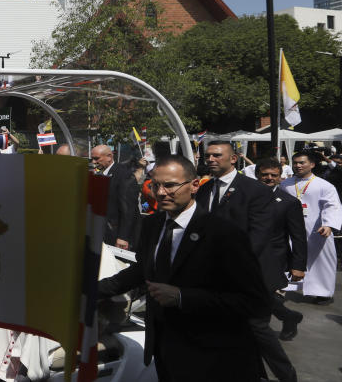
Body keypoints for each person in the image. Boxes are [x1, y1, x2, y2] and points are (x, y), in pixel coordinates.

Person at [97, 155, 270, 381]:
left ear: (195, 185)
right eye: (155, 185)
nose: (160, 193)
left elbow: (254, 302)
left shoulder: (224, 234)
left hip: (214, 356)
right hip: (165, 350)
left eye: (170, 185)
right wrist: (91, 289)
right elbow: (142, 271)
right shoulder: (152, 225)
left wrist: (182, 297)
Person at [199, 141, 293, 381]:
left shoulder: (255, 190)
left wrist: (228, 267)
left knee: (257, 328)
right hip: (216, 276)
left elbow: (258, 237)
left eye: (217, 155)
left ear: (233, 159)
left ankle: (287, 376)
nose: (210, 159)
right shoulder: (204, 189)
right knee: (229, 330)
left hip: (252, 275)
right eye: (208, 155)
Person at [280, 150, 342, 305]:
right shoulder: (285, 184)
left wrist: (328, 224)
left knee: (320, 260)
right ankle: (283, 288)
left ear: (312, 164)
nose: (298, 166)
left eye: (302, 162)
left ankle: (322, 292)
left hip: (316, 229)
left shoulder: (324, 185)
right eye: (295, 163)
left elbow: (333, 206)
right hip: (291, 228)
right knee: (288, 256)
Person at [254, 158, 307, 341]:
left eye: (273, 175)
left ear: (280, 177)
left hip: (274, 257)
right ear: (257, 175)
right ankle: (288, 316)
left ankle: (261, 340)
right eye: (264, 174)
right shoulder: (246, 198)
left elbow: (298, 236)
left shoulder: (288, 202)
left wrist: (298, 265)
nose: (269, 178)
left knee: (262, 296)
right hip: (249, 255)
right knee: (258, 295)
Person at [91, 145, 138, 250]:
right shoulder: (99, 174)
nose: (93, 162)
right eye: (92, 159)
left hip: (116, 235)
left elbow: (128, 208)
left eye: (96, 158)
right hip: (102, 232)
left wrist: (123, 237)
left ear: (109, 156)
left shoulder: (123, 174)